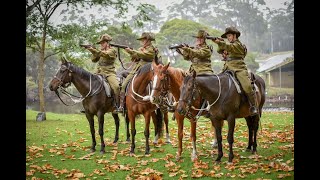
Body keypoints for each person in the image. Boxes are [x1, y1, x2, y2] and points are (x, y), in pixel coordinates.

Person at [211, 26, 258, 116]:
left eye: (229, 36)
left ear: (235, 35)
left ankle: (253, 106)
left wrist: (221, 43)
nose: (228, 38)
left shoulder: (239, 45)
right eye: (227, 36)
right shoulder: (228, 45)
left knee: (247, 86)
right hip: (227, 67)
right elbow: (219, 50)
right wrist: (219, 43)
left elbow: (229, 47)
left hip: (238, 68)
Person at [116, 32, 157, 112]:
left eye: (143, 40)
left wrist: (132, 51)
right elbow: (135, 57)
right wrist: (130, 52)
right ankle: (122, 105)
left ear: (148, 41)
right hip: (136, 70)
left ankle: (160, 102)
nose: (142, 41)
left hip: (148, 70)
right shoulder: (141, 49)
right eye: (141, 40)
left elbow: (143, 55)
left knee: (157, 85)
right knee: (124, 84)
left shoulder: (151, 49)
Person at [83, 34, 120, 113]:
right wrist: (93, 51)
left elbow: (105, 55)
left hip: (109, 72)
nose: (101, 44)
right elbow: (94, 60)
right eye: (100, 43)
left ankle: (118, 106)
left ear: (108, 43)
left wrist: (93, 50)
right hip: (98, 72)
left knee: (116, 87)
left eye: (103, 43)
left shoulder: (112, 50)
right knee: (87, 84)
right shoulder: (100, 51)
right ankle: (87, 106)